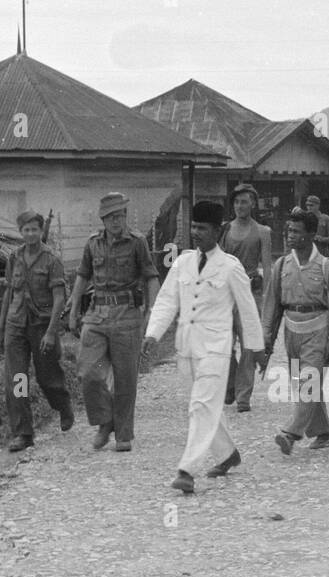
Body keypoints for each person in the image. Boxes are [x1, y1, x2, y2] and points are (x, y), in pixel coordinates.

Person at [144, 201, 267, 493]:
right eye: (194, 227)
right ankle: (227, 454)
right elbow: (167, 300)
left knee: (202, 406)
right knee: (202, 406)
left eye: (203, 228)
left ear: (218, 230)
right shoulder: (183, 262)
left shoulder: (230, 267)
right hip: (186, 346)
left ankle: (187, 470)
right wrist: (152, 334)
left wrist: (256, 348)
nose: (196, 233)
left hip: (216, 348)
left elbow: (248, 309)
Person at [68, 192, 158, 452]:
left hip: (127, 314)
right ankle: (105, 421)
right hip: (96, 315)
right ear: (103, 219)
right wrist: (74, 310)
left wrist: (152, 312)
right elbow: (82, 277)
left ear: (125, 217)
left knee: (125, 377)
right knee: (89, 372)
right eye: (110, 217)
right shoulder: (93, 244)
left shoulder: (137, 242)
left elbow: (151, 277)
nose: (116, 221)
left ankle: (123, 434)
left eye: (120, 216)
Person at [262, 209, 329, 454]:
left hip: (318, 329)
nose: (290, 236)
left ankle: (291, 433)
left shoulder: (326, 267)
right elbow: (272, 304)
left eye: (296, 231)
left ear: (311, 235)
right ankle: (323, 433)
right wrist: (267, 337)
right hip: (291, 330)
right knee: (299, 384)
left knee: (309, 382)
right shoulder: (281, 265)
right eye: (289, 230)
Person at [0, 210, 74, 452]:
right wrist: (1, 326)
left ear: (41, 231)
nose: (30, 234)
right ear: (20, 232)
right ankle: (23, 432)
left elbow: (60, 298)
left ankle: (62, 405)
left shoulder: (52, 260)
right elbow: (10, 292)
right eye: (26, 230)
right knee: (17, 379)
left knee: (47, 377)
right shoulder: (14, 258)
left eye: (34, 230)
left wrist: (52, 332)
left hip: (42, 326)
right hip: (16, 325)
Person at [221, 183, 273, 412]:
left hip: (250, 294)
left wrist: (270, 298)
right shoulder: (224, 230)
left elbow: (268, 267)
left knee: (249, 345)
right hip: (225, 295)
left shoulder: (262, 231)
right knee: (224, 344)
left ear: (253, 203)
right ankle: (230, 384)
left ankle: (243, 395)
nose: (240, 206)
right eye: (237, 202)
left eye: (245, 201)